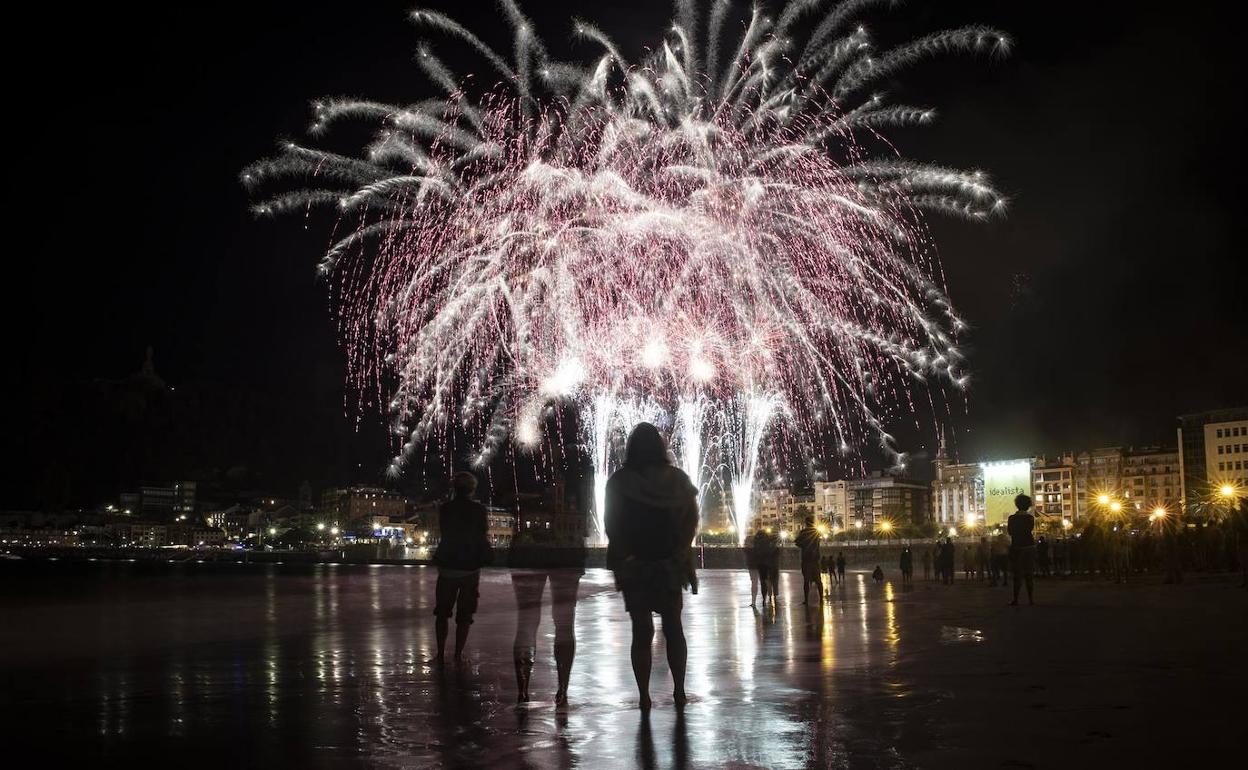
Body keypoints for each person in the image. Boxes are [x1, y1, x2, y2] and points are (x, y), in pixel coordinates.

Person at [605, 423, 699, 710]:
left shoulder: (619, 482)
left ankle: (644, 695)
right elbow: (691, 522)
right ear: (661, 447)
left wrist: (627, 556)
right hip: (669, 564)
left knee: (641, 632)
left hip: (636, 567)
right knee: (673, 627)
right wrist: (680, 552)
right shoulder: (678, 480)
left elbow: (612, 524)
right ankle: (679, 690)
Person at [509, 535, 585, 705]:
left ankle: (523, 692)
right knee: (564, 623)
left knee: (526, 621)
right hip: (567, 551)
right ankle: (563, 689)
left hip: (527, 550)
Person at [432, 471, 493, 663]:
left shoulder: (445, 508)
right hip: (470, 568)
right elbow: (482, 535)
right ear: (472, 489)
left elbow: (446, 533)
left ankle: (440, 654)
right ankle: (458, 655)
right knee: (465, 616)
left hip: (447, 566)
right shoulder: (479, 510)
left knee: (442, 613)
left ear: (454, 488)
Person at [1007, 494, 1037, 606]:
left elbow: (1010, 532)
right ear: (1028, 505)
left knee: (1017, 575)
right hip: (1029, 547)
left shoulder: (1012, 518)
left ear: (1017, 504)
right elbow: (1029, 530)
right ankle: (1030, 599)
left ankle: (1015, 599)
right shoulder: (1030, 518)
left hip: (1017, 547)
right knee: (1029, 574)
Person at [794, 516, 823, 604]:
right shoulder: (816, 532)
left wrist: (804, 545)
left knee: (806, 580)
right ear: (813, 522)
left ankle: (806, 600)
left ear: (806, 523)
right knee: (818, 580)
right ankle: (821, 599)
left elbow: (796, 542)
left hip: (806, 559)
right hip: (815, 559)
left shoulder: (803, 532)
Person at [745, 529, 761, 607]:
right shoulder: (758, 546)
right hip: (759, 564)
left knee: (754, 582)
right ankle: (769, 597)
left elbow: (745, 551)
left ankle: (753, 601)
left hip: (752, 565)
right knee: (762, 581)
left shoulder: (748, 550)